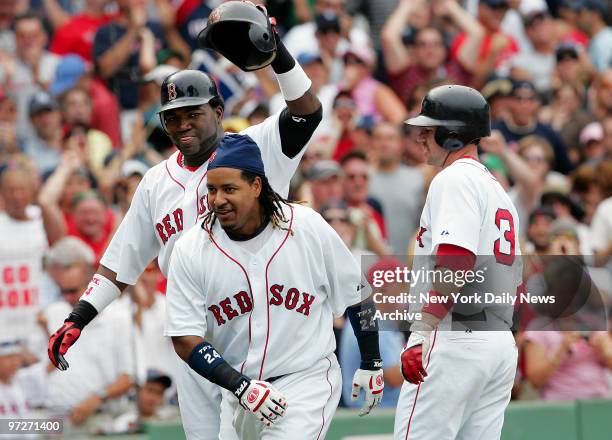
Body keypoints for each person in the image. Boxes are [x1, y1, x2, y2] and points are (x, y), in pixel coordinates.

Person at [48, 2, 324, 438]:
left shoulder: (253, 147)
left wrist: (280, 53)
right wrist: (79, 316)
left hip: (259, 327)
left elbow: (307, 111)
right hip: (193, 336)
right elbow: (119, 264)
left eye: (192, 113)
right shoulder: (155, 182)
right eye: (173, 117)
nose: (182, 125)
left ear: (218, 110)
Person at [165, 135, 384, 438]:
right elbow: (184, 337)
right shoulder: (191, 248)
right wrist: (239, 386)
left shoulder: (306, 227)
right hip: (239, 390)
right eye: (212, 189)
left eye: (229, 189)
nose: (217, 199)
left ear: (256, 186)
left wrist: (371, 361)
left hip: (304, 380)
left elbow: (360, 297)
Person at [393, 85, 522, 439]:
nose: (420, 137)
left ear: (452, 134)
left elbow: (456, 262)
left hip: (454, 338)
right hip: (497, 343)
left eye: (429, 130)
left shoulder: (454, 179)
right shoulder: (497, 190)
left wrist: (421, 331)